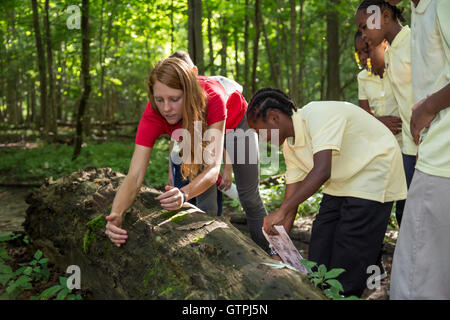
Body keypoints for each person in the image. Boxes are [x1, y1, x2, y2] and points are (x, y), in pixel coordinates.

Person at [247, 88, 407, 297]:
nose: (261, 138)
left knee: (350, 245)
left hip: (375, 168)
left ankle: (350, 288)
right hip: (344, 179)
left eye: (260, 131)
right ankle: (321, 290)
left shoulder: (316, 115)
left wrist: (282, 210)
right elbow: (290, 203)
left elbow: (322, 171)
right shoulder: (290, 147)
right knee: (321, 238)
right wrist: (278, 250)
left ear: (274, 118)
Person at [104, 57, 272, 256]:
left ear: (189, 93)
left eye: (174, 99)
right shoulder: (153, 114)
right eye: (160, 99)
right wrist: (116, 213)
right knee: (206, 203)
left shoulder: (212, 97)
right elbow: (134, 176)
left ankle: (270, 254)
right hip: (196, 126)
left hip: (237, 126)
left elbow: (212, 169)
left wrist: (183, 194)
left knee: (249, 197)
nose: (166, 108)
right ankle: (210, 262)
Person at [390, 0, 450, 300]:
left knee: (415, 280)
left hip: (443, 158)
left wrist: (427, 107)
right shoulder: (419, 9)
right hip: (432, 149)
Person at [355, 0, 417, 226]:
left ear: (386, 16)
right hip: (409, 147)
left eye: (364, 27)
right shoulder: (391, 53)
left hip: (427, 146)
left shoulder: (413, 40)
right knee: (407, 212)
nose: (362, 35)